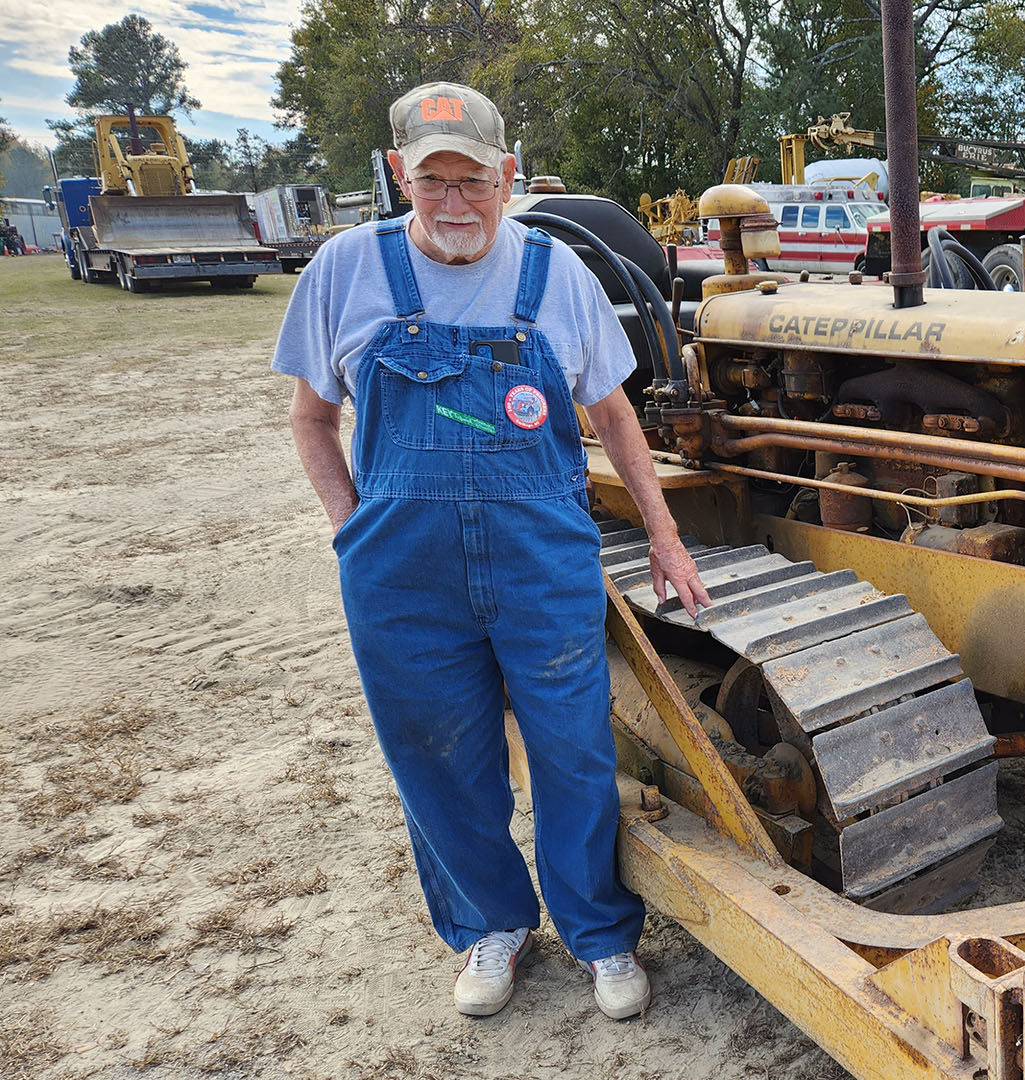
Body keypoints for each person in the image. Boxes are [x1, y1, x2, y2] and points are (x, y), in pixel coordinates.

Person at [272, 82, 712, 1021]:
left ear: (506, 175)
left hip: (540, 559)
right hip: (400, 571)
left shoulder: (554, 274)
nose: (455, 202)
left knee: (575, 751)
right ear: (400, 176)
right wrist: (352, 524)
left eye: (473, 179)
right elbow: (313, 418)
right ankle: (489, 926)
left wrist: (666, 536)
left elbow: (615, 415)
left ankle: (599, 934)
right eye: (433, 181)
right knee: (439, 753)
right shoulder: (346, 270)